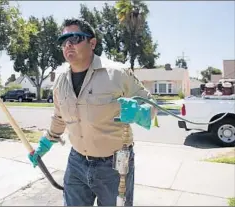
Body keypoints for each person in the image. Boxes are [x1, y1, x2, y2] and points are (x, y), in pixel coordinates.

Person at [28, 18, 157, 206]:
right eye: (64, 41)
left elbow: (151, 104)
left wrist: (140, 111)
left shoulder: (118, 73)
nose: (68, 45)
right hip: (77, 162)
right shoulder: (60, 81)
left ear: (92, 43)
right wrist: (46, 142)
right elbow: (59, 116)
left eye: (75, 38)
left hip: (114, 166)